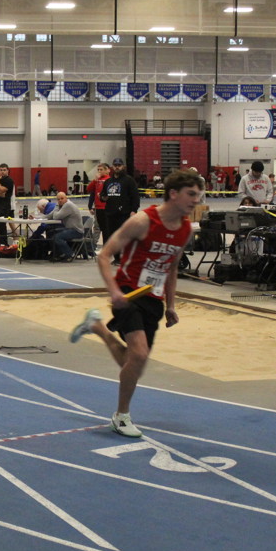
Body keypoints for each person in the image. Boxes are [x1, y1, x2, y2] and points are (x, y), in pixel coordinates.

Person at [70, 169, 203, 438]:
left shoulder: (185, 229)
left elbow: (172, 268)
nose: (196, 200)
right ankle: (121, 416)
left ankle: (98, 327)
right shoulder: (143, 221)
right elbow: (104, 255)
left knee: (133, 364)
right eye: (191, 194)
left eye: (198, 195)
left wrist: (171, 305)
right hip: (128, 292)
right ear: (173, 194)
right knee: (139, 355)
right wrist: (114, 292)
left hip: (153, 298)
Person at [101, 157, 139, 248]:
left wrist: (134, 210)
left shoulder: (129, 180)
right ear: (112, 167)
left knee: (124, 238)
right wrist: (103, 198)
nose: (117, 167)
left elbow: (135, 197)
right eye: (115, 165)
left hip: (124, 214)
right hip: (110, 214)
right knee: (112, 237)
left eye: (119, 165)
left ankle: (125, 254)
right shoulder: (108, 181)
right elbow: (103, 195)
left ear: (123, 167)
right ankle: (116, 255)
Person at [46, 190, 86, 261]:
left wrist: (57, 206)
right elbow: (49, 216)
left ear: (66, 198)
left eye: (62, 198)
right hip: (69, 229)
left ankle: (69, 254)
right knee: (51, 233)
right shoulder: (62, 205)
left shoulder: (68, 205)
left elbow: (56, 217)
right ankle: (58, 254)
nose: (60, 200)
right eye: (58, 199)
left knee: (57, 237)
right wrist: (36, 218)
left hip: (77, 231)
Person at [0, 163, 15, 248]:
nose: (2, 172)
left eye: (4, 170)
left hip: (4, 206)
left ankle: (4, 244)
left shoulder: (9, 181)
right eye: (1, 170)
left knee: (2, 225)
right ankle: (0, 243)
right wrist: (0, 194)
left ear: (8, 171)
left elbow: (1, 190)